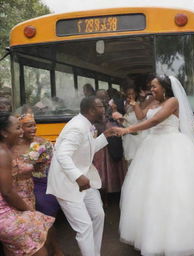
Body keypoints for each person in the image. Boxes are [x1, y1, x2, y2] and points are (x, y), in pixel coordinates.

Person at [113, 75, 194, 256]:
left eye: (155, 87)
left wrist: (127, 130)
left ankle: (179, 239)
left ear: (165, 88)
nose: (152, 90)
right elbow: (142, 117)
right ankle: (152, 236)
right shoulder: (152, 101)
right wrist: (134, 103)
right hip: (151, 147)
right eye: (151, 87)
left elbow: (155, 121)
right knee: (151, 192)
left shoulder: (173, 101)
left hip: (171, 146)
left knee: (175, 190)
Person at [47, 96, 115, 256]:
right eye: (100, 106)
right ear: (91, 110)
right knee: (84, 226)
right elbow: (62, 155)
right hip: (67, 183)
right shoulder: (77, 127)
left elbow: (87, 149)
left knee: (98, 215)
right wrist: (78, 176)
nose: (104, 108)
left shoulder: (87, 124)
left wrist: (106, 135)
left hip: (82, 180)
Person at [0, 112, 54, 256]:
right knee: (39, 245)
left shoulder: (8, 149)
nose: (21, 132)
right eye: (18, 128)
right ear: (4, 132)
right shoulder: (3, 153)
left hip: (13, 205)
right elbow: (7, 191)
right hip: (7, 213)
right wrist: (29, 210)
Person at [16, 113, 63, 255]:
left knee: (44, 219)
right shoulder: (12, 145)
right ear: (20, 128)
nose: (34, 128)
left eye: (34, 125)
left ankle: (55, 249)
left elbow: (53, 168)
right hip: (20, 187)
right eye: (29, 126)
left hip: (42, 184)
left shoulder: (43, 144)